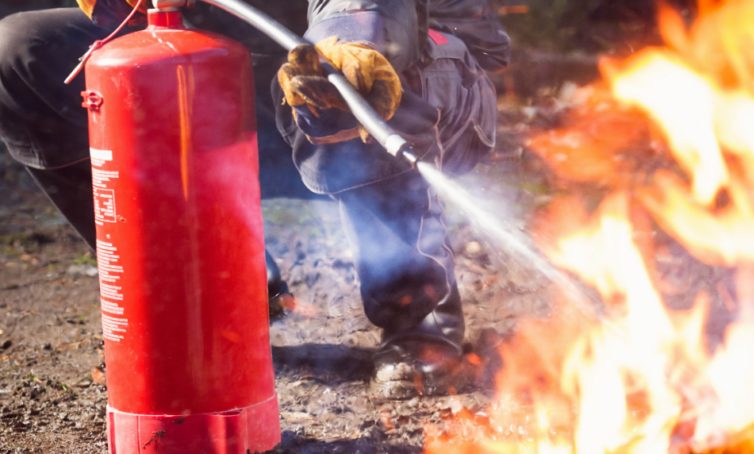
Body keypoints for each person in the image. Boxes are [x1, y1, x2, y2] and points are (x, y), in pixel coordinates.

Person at [0, 0, 510, 399]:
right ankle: (216, 298)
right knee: (21, 49)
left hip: (420, 66)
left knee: (342, 66)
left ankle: (417, 320)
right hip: (247, 73)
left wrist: (346, 45)